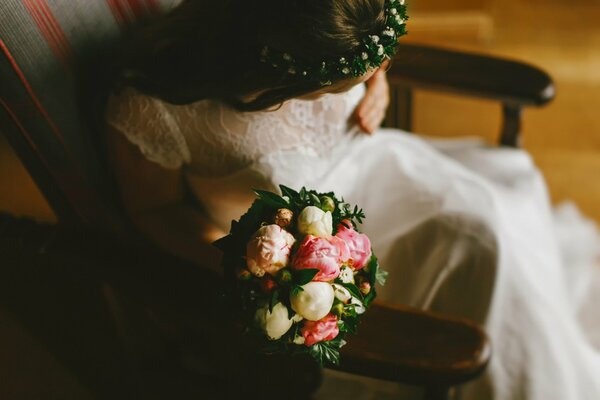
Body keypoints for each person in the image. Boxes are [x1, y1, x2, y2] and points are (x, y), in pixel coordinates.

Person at [101, 0, 600, 398]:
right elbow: (155, 210)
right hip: (324, 249)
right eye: (335, 89)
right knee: (477, 246)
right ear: (286, 77)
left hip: (386, 167)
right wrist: (248, 263)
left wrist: (376, 85)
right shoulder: (156, 106)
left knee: (487, 221)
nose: (369, 76)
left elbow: (367, 49)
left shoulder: (328, 20)